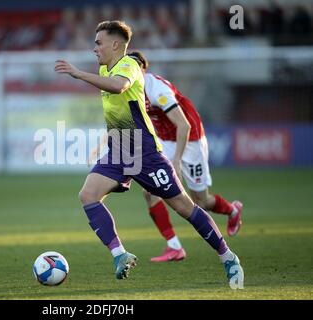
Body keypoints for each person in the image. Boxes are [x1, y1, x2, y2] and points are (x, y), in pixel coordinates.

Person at [54, 20, 244, 289]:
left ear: (116, 44)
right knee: (88, 195)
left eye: (98, 42)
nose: (94, 48)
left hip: (145, 153)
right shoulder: (104, 68)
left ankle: (228, 257)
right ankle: (121, 255)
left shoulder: (129, 66)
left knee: (185, 207)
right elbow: (117, 114)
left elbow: (119, 87)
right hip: (119, 149)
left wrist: (78, 74)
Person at [125, 50, 243, 263]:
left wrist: (177, 160)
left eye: (133, 67)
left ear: (142, 69)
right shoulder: (129, 89)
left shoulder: (156, 89)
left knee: (201, 200)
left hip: (190, 140)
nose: (129, 71)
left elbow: (183, 125)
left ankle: (232, 210)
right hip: (165, 140)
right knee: (150, 191)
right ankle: (174, 246)